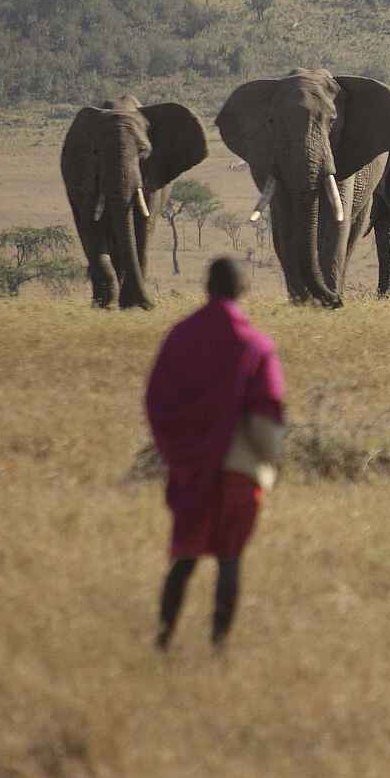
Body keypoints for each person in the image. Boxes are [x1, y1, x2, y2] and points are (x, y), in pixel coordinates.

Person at [143, 257, 285, 652]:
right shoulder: (256, 346)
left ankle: (163, 639)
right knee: (230, 557)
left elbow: (157, 401)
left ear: (205, 287)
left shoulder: (179, 337)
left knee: (185, 557)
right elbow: (267, 409)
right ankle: (219, 645)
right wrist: (272, 459)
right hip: (240, 468)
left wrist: (174, 451)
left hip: (190, 467)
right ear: (244, 292)